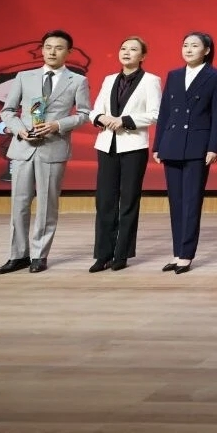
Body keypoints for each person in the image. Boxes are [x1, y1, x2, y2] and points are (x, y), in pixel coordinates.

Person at [0, 29, 91, 275]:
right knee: (19, 203)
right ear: (42, 50)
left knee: (47, 204)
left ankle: (39, 255)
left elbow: (84, 115)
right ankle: (18, 255)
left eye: (58, 48)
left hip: (53, 147)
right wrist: (20, 130)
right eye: (48, 47)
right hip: (23, 148)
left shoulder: (77, 80)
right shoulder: (24, 76)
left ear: (68, 52)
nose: (52, 52)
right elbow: (7, 111)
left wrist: (58, 125)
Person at [153, 31, 217, 274]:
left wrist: (213, 146)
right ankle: (177, 252)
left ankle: (186, 254)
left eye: (194, 45)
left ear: (207, 50)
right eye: (185, 45)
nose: (189, 49)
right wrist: (158, 145)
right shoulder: (174, 75)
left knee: (192, 201)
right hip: (172, 143)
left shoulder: (216, 76)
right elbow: (165, 112)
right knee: (176, 202)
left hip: (198, 145)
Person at [89, 36, 161, 272]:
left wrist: (124, 121)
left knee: (128, 201)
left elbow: (155, 114)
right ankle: (103, 254)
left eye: (133, 49)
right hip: (107, 145)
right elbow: (95, 111)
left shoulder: (151, 81)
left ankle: (121, 254)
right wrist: (101, 118)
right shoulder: (109, 79)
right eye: (123, 48)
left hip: (133, 147)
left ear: (143, 56)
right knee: (105, 201)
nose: (126, 52)